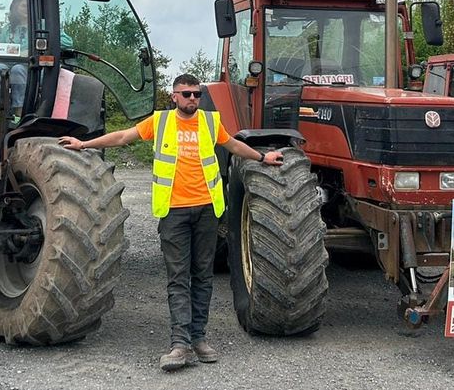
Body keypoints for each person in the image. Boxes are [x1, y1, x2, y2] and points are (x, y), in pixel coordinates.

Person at [58, 73, 284, 372]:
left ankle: (199, 339)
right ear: (174, 96)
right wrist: (84, 144)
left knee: (202, 277)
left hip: (206, 210)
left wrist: (262, 158)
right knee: (178, 278)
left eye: (196, 94)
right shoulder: (160, 121)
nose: (192, 99)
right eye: (186, 94)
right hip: (174, 212)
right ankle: (180, 344)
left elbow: (233, 146)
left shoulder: (210, 122)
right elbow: (124, 137)